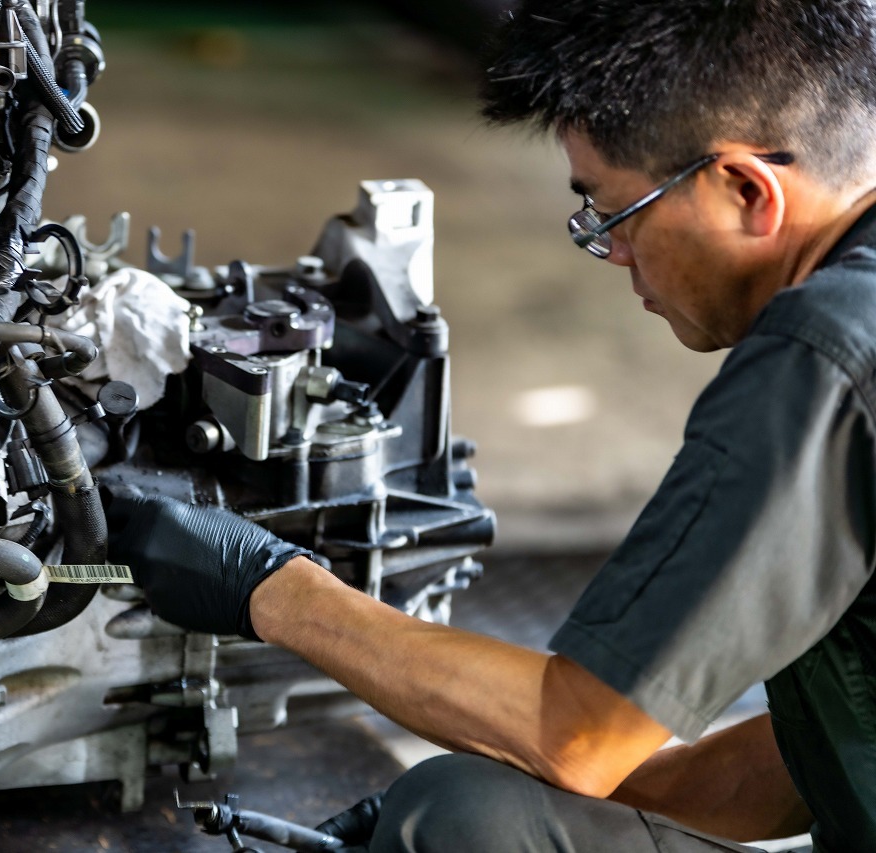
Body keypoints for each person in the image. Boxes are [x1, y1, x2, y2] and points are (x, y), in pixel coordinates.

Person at [107, 1, 876, 850]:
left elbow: (574, 732)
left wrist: (270, 586)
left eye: (614, 216)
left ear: (745, 189)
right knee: (470, 802)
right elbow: (795, 763)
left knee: (464, 823)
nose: (614, 254)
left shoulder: (821, 358)